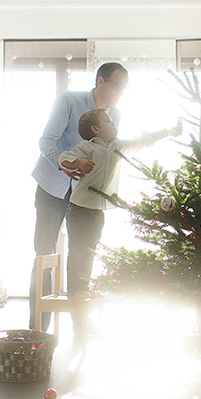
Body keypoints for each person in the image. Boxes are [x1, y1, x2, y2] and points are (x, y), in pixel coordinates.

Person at [29, 62, 128, 331]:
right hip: (52, 186)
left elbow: (109, 154)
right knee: (44, 256)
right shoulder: (68, 101)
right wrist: (65, 165)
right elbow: (46, 140)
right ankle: (38, 328)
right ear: (101, 81)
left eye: (124, 88)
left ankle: (80, 324)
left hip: (84, 198)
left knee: (82, 256)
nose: (120, 91)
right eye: (117, 85)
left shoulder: (114, 116)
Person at [58, 109, 181, 298]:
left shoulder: (118, 146)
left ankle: (83, 287)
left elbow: (143, 140)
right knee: (78, 250)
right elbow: (63, 159)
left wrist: (168, 131)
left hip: (98, 210)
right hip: (79, 208)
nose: (113, 123)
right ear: (95, 129)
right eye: (108, 121)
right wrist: (79, 162)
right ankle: (74, 291)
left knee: (90, 250)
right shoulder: (87, 147)